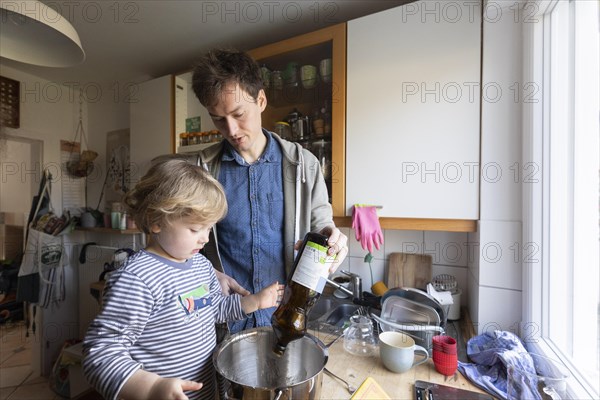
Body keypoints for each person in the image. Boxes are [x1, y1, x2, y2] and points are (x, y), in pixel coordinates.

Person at [82, 159, 281, 400]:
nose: (205, 239)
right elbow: (101, 353)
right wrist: (152, 388)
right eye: (195, 229)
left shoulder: (200, 265)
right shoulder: (137, 279)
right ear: (156, 221)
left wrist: (254, 303)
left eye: (209, 229)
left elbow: (211, 309)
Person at [185, 48, 349, 333]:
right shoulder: (202, 169)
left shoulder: (304, 165)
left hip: (285, 318)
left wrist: (333, 241)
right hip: (223, 321)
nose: (231, 129)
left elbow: (322, 225)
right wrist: (207, 272)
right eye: (218, 119)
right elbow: (177, 245)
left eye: (238, 114)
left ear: (260, 100)